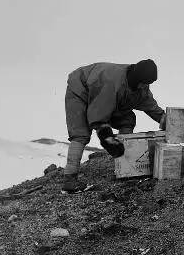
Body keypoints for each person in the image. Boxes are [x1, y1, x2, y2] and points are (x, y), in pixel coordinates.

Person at [62, 59, 167, 193]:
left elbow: (151, 106)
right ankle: (70, 180)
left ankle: (125, 167)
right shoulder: (111, 82)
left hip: (105, 96)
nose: (144, 86)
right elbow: (99, 114)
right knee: (80, 133)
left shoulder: (140, 87)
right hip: (81, 89)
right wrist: (108, 138)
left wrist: (168, 122)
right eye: (143, 83)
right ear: (137, 78)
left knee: (127, 119)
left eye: (148, 84)